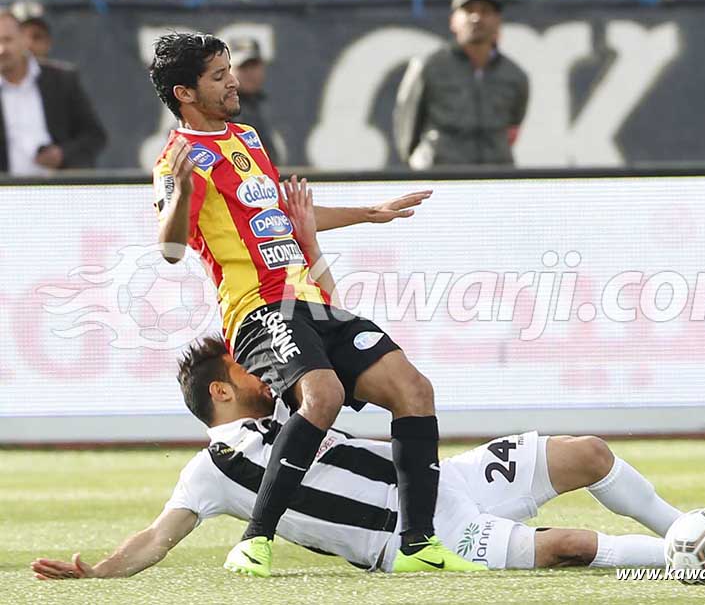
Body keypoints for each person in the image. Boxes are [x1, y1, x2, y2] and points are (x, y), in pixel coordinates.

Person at [148, 31, 477, 577]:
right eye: (218, 74)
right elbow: (171, 249)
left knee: (414, 390)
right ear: (185, 92)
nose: (233, 80)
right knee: (320, 394)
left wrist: (370, 212)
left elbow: (280, 211)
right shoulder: (179, 159)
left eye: (230, 68)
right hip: (258, 310)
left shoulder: (247, 138)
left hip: (312, 302)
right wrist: (181, 193)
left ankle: (419, 543)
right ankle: (255, 540)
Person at [29, 341, 705, 579]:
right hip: (409, 542)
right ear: (223, 388)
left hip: (440, 481)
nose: (267, 362)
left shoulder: (302, 400)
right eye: (247, 361)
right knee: (573, 546)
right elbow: (158, 538)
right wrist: (99, 571)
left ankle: (695, 527)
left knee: (587, 452)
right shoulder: (210, 470)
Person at [393, 0, 529, 169]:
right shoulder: (428, 67)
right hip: (439, 176)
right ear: (453, 20)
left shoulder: (515, 75)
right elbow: (407, 131)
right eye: (468, 10)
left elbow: (512, 128)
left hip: (496, 179)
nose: (476, 17)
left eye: (486, 11)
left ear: (498, 21)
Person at [0, 10, 107, 175]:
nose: (2, 49)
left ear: (23, 39)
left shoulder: (62, 80)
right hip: (6, 195)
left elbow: (94, 136)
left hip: (59, 191)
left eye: (7, 40)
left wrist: (62, 154)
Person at [228, 37, 286, 165]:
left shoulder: (260, 104)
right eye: (243, 67)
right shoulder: (223, 107)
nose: (250, 73)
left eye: (254, 66)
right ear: (228, 71)